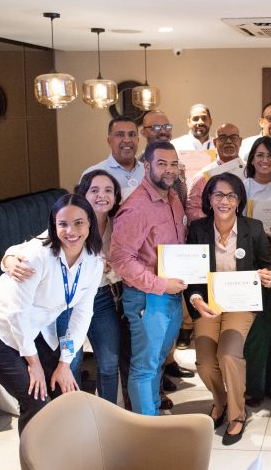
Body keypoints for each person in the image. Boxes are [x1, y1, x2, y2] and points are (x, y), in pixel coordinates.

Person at [0, 194, 103, 433]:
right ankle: (34, 462)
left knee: (64, 388)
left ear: (90, 223)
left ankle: (61, 455)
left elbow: (82, 316)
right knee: (35, 399)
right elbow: (15, 314)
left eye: (79, 223)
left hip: (29, 329)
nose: (71, 230)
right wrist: (34, 363)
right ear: (53, 226)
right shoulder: (36, 256)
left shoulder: (93, 262)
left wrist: (65, 363)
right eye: (63, 224)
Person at [1, 170, 122, 404]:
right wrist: (8, 261)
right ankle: (73, 414)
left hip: (102, 297)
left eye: (108, 190)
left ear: (116, 196)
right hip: (67, 303)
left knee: (109, 361)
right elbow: (23, 250)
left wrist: (112, 270)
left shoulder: (121, 225)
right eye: (94, 190)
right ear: (83, 194)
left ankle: (108, 416)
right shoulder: (67, 221)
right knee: (70, 360)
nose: (101, 196)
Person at [185, 173, 271, 446]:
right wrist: (196, 300)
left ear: (239, 201)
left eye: (231, 195)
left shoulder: (254, 228)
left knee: (228, 354)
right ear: (209, 199)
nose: (224, 201)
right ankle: (220, 401)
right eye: (218, 195)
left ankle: (237, 414)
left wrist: (268, 275)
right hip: (209, 303)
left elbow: (267, 265)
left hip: (241, 302)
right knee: (204, 361)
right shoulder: (198, 229)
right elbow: (192, 274)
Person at [110, 140, 187, 415]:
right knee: (144, 366)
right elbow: (120, 259)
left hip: (171, 296)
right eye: (162, 163)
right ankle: (147, 429)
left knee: (157, 362)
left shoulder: (173, 199)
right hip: (147, 298)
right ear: (147, 166)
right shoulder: (136, 208)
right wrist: (160, 284)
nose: (169, 170)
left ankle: (152, 411)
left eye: (173, 164)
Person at [241, 136, 271, 406]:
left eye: (270, 156)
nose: (264, 160)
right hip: (252, 261)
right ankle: (254, 387)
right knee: (258, 328)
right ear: (251, 159)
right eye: (259, 155)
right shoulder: (243, 186)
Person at [187, 123, 245, 224]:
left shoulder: (252, 172)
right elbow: (193, 211)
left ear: (240, 142)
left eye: (233, 137)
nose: (228, 141)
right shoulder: (203, 177)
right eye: (222, 138)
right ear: (215, 142)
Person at [82, 116, 144, 198]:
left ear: (138, 140)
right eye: (120, 135)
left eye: (132, 134)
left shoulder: (150, 172)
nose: (127, 140)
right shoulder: (92, 174)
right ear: (109, 141)